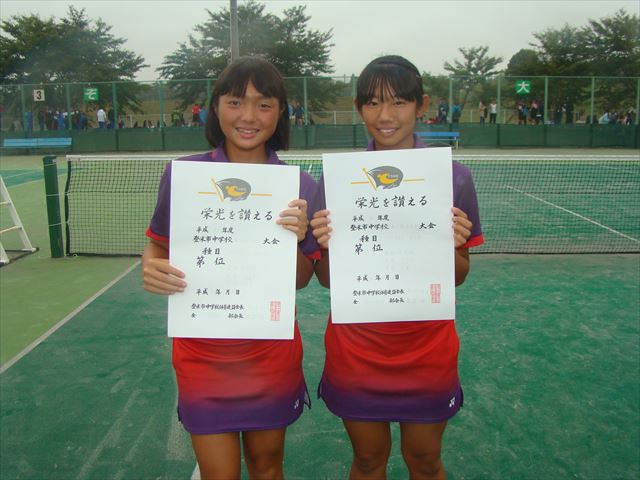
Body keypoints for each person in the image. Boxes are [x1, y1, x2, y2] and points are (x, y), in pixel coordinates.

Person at [142, 56, 318, 480]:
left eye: (264, 104)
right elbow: (158, 245)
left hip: (269, 354)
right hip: (202, 355)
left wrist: (295, 240)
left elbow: (300, 280)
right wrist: (150, 267)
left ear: (281, 112)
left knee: (267, 467)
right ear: (216, 107)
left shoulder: (301, 185)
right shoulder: (183, 175)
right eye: (236, 102)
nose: (248, 116)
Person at [309, 55, 483, 480]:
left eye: (398, 102)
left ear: (421, 105)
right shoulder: (337, 180)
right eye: (372, 103)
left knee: (425, 461)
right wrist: (328, 248)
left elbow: (459, 275)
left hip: (427, 349)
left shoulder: (454, 178)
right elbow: (328, 280)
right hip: (357, 349)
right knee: (368, 461)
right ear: (359, 108)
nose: (385, 116)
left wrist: (452, 246)